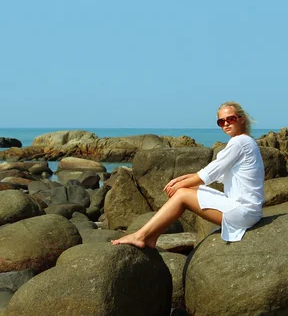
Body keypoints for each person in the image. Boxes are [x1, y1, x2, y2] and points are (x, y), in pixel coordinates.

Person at [111, 101, 264, 248]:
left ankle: (140, 236)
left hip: (243, 213)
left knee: (182, 195)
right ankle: (153, 236)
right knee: (186, 190)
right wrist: (181, 179)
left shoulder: (239, 142)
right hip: (248, 211)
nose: (226, 124)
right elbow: (218, 176)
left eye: (230, 119)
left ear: (241, 119)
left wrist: (180, 185)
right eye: (221, 121)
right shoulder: (246, 142)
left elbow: (210, 173)